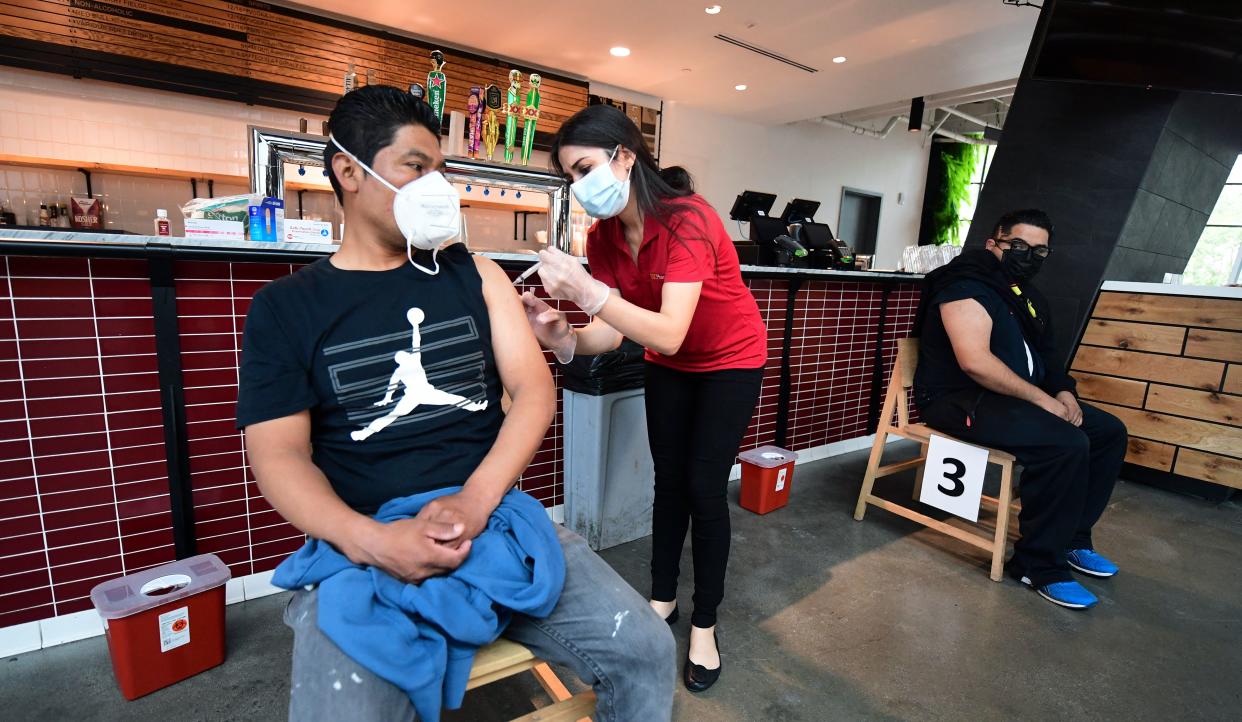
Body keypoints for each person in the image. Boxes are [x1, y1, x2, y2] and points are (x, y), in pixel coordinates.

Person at [236, 85, 674, 721]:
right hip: (365, 536)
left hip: (495, 519)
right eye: (414, 167)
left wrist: (476, 498)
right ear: (347, 171)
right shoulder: (285, 308)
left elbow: (533, 392)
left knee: (648, 652)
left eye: (439, 170)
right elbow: (277, 454)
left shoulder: (475, 273)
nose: (435, 187)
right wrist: (370, 540)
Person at [522, 104, 768, 691]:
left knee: (704, 490)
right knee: (667, 484)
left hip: (729, 361)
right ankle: (662, 600)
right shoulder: (604, 236)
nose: (580, 187)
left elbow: (670, 328)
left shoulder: (689, 220)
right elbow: (615, 331)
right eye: (570, 177)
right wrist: (564, 335)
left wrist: (585, 289)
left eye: (585, 169)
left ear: (625, 157)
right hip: (669, 365)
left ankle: (704, 623)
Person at [912, 208, 1128, 610]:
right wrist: (1042, 400)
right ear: (994, 242)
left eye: (1039, 251)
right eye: (1019, 245)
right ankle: (1038, 565)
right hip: (955, 400)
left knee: (1107, 432)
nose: (1027, 255)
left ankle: (1073, 540)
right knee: (1063, 443)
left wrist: (1064, 393)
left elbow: (1047, 360)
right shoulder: (964, 285)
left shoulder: (1026, 297)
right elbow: (974, 362)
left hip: (1009, 398)